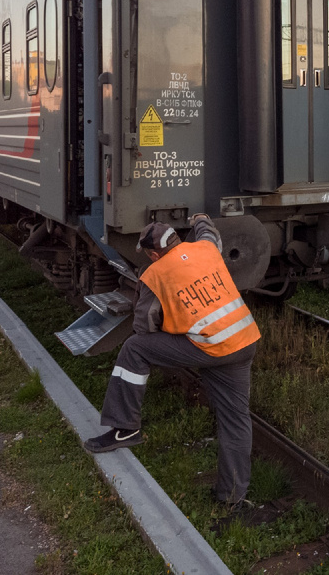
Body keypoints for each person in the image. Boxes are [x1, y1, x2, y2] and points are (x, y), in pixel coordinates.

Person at [83, 214, 261, 506]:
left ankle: (125, 427)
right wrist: (200, 218)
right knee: (235, 419)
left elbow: (144, 326)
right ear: (177, 240)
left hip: (210, 346)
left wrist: (171, 318)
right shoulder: (207, 247)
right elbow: (209, 231)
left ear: (153, 254)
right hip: (243, 340)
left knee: (135, 348)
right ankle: (232, 496)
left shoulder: (156, 274)